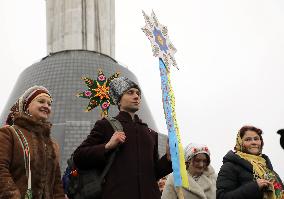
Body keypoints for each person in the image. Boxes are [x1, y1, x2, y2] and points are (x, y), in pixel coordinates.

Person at [73, 76, 172, 199]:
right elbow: (79, 156)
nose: (136, 96)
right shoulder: (106, 125)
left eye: (138, 93)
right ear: (119, 100)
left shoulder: (150, 133)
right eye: (130, 92)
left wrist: (168, 159)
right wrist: (107, 146)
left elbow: (153, 174)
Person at [0, 85, 65, 199]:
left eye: (49, 104)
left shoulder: (53, 145)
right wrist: (12, 195)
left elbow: (56, 184)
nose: (46, 106)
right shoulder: (9, 133)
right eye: (41, 101)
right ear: (27, 105)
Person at [217, 125, 284, 199]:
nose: (253, 142)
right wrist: (254, 187)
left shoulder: (269, 170)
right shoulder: (230, 167)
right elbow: (222, 197)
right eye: (248, 139)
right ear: (240, 143)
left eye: (256, 139)